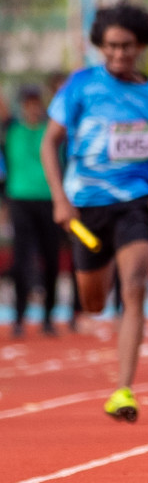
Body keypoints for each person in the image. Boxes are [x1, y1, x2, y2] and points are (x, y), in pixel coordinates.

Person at [41, 4, 148, 422]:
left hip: (134, 204)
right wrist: (60, 198)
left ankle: (124, 389)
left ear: (141, 46)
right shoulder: (80, 86)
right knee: (93, 302)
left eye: (127, 47)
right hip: (86, 208)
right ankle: (98, 287)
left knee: (134, 284)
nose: (119, 55)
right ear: (101, 45)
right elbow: (49, 143)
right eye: (112, 47)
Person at [6, 85, 63, 337]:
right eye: (28, 103)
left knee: (51, 260)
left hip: (50, 201)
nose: (32, 108)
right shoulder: (11, 130)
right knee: (21, 261)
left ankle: (48, 318)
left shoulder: (52, 131)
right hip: (20, 201)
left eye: (36, 102)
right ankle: (19, 318)